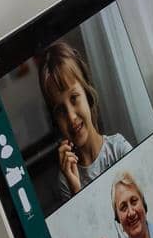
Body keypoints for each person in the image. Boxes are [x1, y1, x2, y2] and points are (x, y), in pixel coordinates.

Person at [37, 41, 132, 200]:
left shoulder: (118, 149)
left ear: (87, 95)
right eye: (60, 110)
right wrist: (76, 191)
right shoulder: (65, 180)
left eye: (74, 98)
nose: (71, 117)